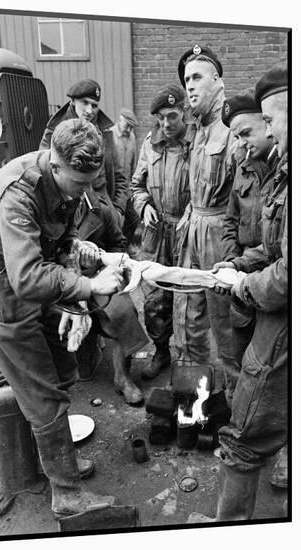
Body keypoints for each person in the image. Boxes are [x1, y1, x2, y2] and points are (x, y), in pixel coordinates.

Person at [0, 118, 124, 518]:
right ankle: (65, 494)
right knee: (42, 394)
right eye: (80, 184)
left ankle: (55, 462)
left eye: (93, 183)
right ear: (55, 165)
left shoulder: (67, 183)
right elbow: (27, 277)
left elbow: (56, 240)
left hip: (41, 287)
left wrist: (72, 249)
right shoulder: (18, 193)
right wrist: (88, 287)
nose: (87, 194)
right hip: (7, 299)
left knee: (63, 370)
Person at [188, 62, 288, 523]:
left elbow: (287, 273)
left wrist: (245, 282)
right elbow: (270, 243)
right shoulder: (270, 171)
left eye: (266, 123)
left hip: (278, 316)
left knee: (245, 432)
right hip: (257, 291)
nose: (250, 139)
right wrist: (238, 262)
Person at [176, 45, 239, 400]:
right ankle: (197, 398)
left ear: (218, 81)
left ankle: (235, 406)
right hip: (193, 227)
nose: (190, 86)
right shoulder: (197, 130)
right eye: (187, 80)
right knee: (189, 316)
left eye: (197, 77)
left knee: (225, 322)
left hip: (218, 234)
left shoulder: (232, 131)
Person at [131, 83, 193, 379]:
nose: (166, 124)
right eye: (161, 118)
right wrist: (143, 206)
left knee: (187, 296)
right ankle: (162, 351)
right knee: (155, 298)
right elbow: (136, 185)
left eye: (172, 116)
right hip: (156, 232)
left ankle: (188, 358)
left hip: (186, 232)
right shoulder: (149, 144)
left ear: (184, 111)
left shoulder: (197, 143)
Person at [73, 188, 148, 405]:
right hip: (63, 279)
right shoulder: (46, 212)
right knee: (81, 371)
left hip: (99, 274)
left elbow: (118, 243)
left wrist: (98, 258)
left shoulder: (100, 211)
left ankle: (122, 378)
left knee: (123, 311)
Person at [220, 89, 278, 364]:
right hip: (242, 277)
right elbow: (230, 221)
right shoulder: (241, 167)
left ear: (267, 123)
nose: (241, 143)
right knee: (239, 354)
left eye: (246, 133)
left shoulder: (285, 171)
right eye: (237, 137)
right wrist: (232, 263)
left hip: (275, 281)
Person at [39, 78, 128, 226]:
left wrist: (118, 211)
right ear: (73, 101)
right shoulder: (55, 132)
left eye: (94, 105)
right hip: (72, 213)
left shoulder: (104, 132)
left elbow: (120, 175)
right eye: (85, 103)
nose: (89, 111)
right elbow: (46, 175)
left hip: (105, 209)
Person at [110, 108, 140, 246]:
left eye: (131, 127)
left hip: (126, 189)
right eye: (127, 125)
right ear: (119, 120)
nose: (129, 129)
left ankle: (124, 245)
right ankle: (115, 247)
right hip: (112, 190)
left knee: (133, 218)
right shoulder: (109, 135)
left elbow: (133, 164)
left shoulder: (132, 138)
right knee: (114, 221)